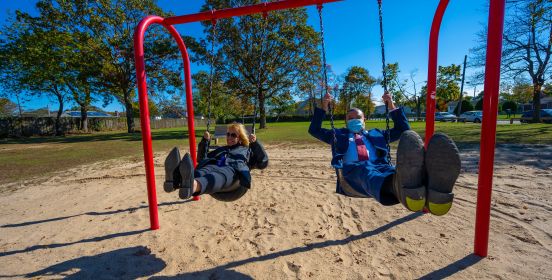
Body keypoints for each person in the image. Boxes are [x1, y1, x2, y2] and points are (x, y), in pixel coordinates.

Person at [309, 92, 461, 216]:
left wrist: (391, 105)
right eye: (350, 118)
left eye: (358, 118)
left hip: (381, 167)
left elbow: (404, 130)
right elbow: (314, 130)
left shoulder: (377, 135)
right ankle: (399, 188)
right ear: (346, 121)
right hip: (353, 173)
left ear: (364, 120)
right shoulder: (337, 135)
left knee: (396, 170)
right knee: (367, 171)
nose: (354, 120)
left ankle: (435, 193)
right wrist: (323, 107)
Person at [164, 122, 268, 199]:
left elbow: (263, 163)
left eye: (233, 135)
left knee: (217, 175)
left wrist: (255, 144)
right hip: (215, 166)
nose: (229, 137)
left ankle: (194, 185)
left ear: (240, 138)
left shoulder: (246, 150)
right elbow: (201, 159)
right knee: (203, 170)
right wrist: (205, 142)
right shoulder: (221, 150)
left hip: (234, 174)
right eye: (228, 134)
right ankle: (175, 181)